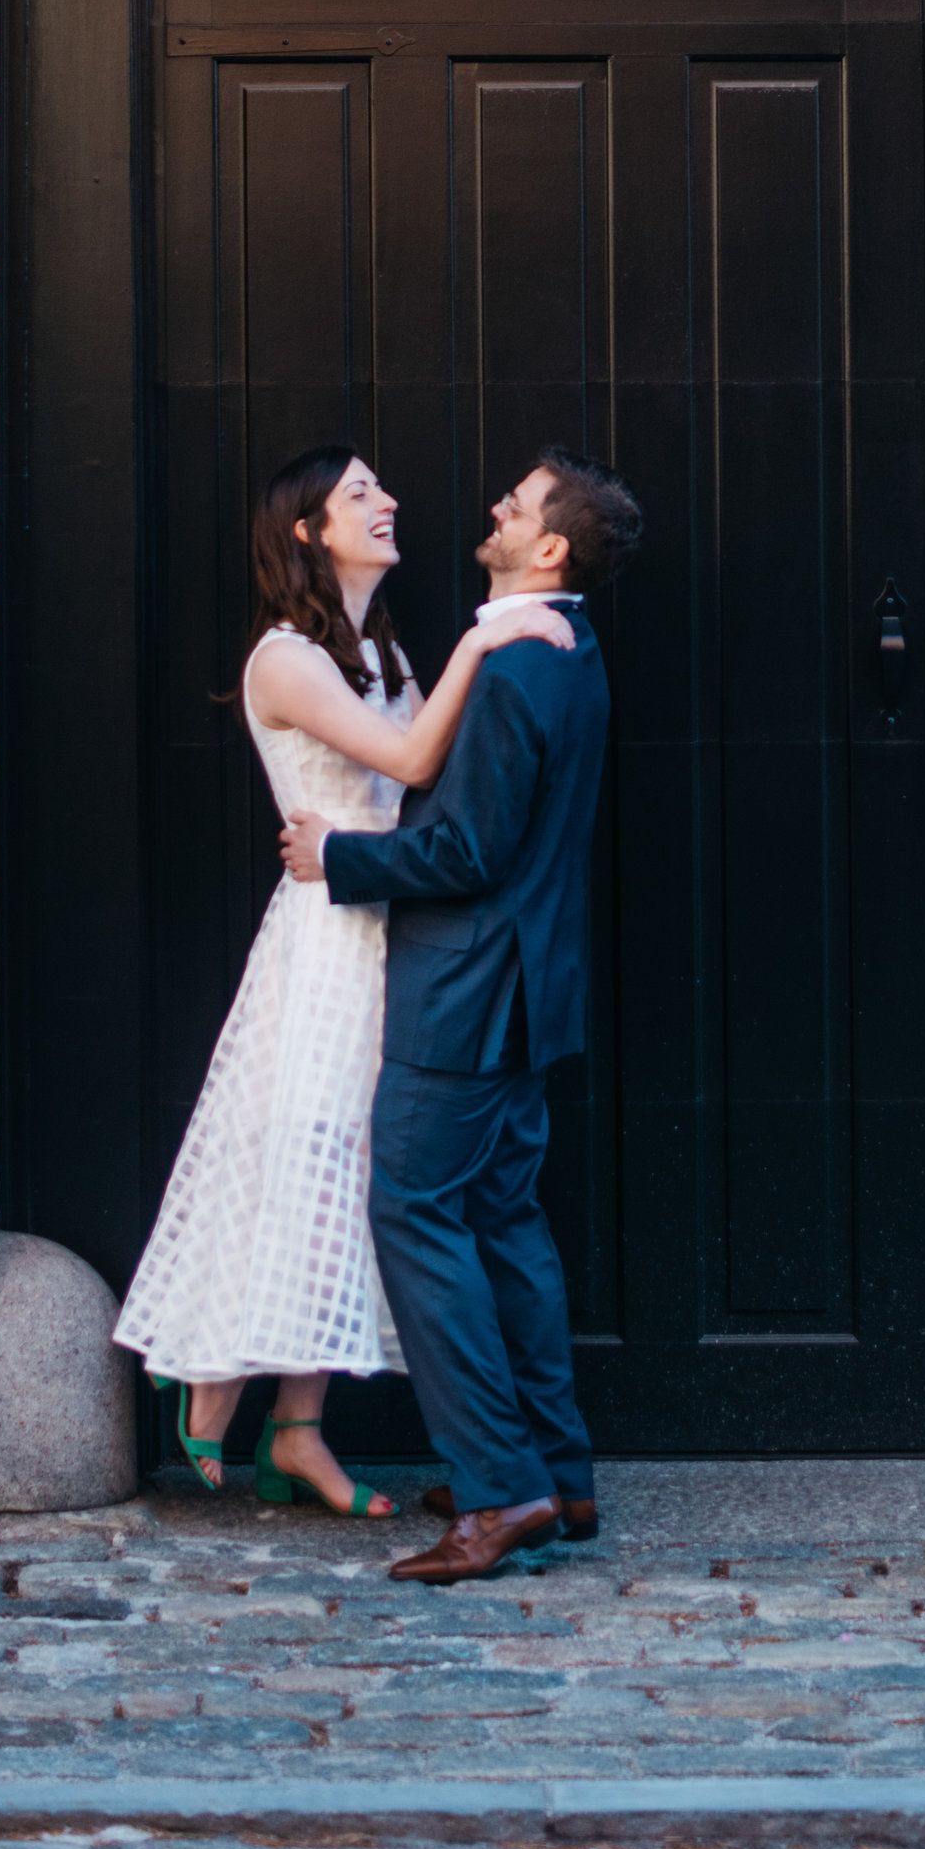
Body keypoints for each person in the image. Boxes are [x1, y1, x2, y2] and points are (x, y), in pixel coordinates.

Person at [113, 445, 576, 1515]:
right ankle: (217, 1370)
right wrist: (492, 629)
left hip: (392, 929)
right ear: (307, 531)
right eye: (359, 492)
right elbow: (412, 761)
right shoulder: (285, 658)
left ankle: (297, 1428)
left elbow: (436, 776)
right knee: (307, 1153)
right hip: (326, 945)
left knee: (352, 1177)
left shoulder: (382, 650)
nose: (388, 501)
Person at [279, 446, 643, 1584]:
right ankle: (561, 1472)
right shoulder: (568, 650)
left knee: (415, 1216)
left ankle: (500, 1489)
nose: (494, 502)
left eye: (517, 502)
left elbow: (465, 849)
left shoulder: (514, 669)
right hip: (528, 992)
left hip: (465, 992)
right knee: (503, 1219)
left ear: (549, 548)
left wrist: (334, 853)